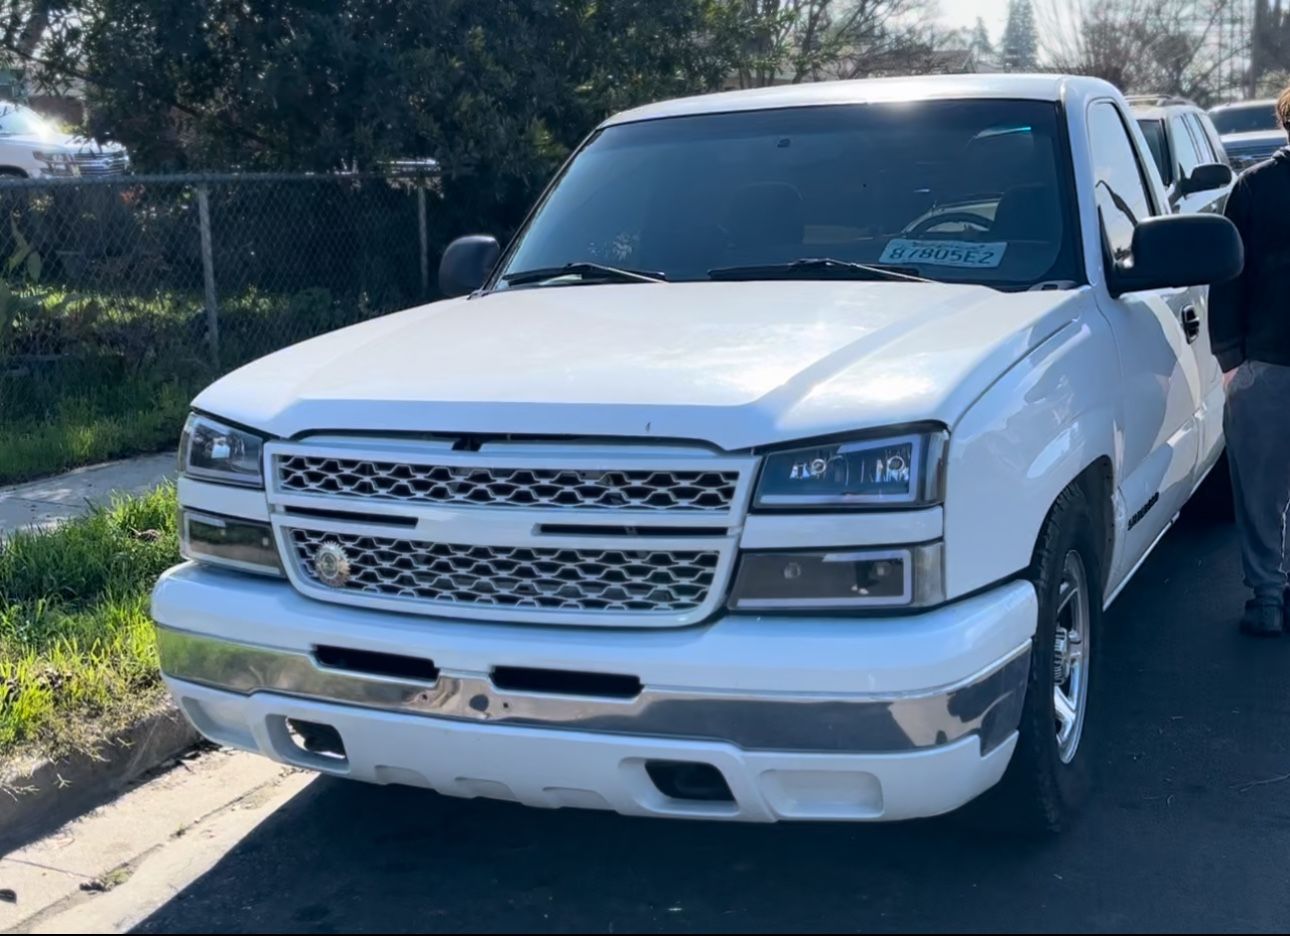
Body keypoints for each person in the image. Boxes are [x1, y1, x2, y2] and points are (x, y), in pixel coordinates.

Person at [1209, 87, 1290, 637]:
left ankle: (1267, 596)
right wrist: (1231, 358)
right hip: (1264, 361)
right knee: (1262, 491)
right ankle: (1267, 596)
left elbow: (1228, 279)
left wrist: (1233, 360)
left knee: (1261, 491)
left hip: (1264, 364)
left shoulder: (1254, 186)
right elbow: (1228, 275)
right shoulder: (1255, 188)